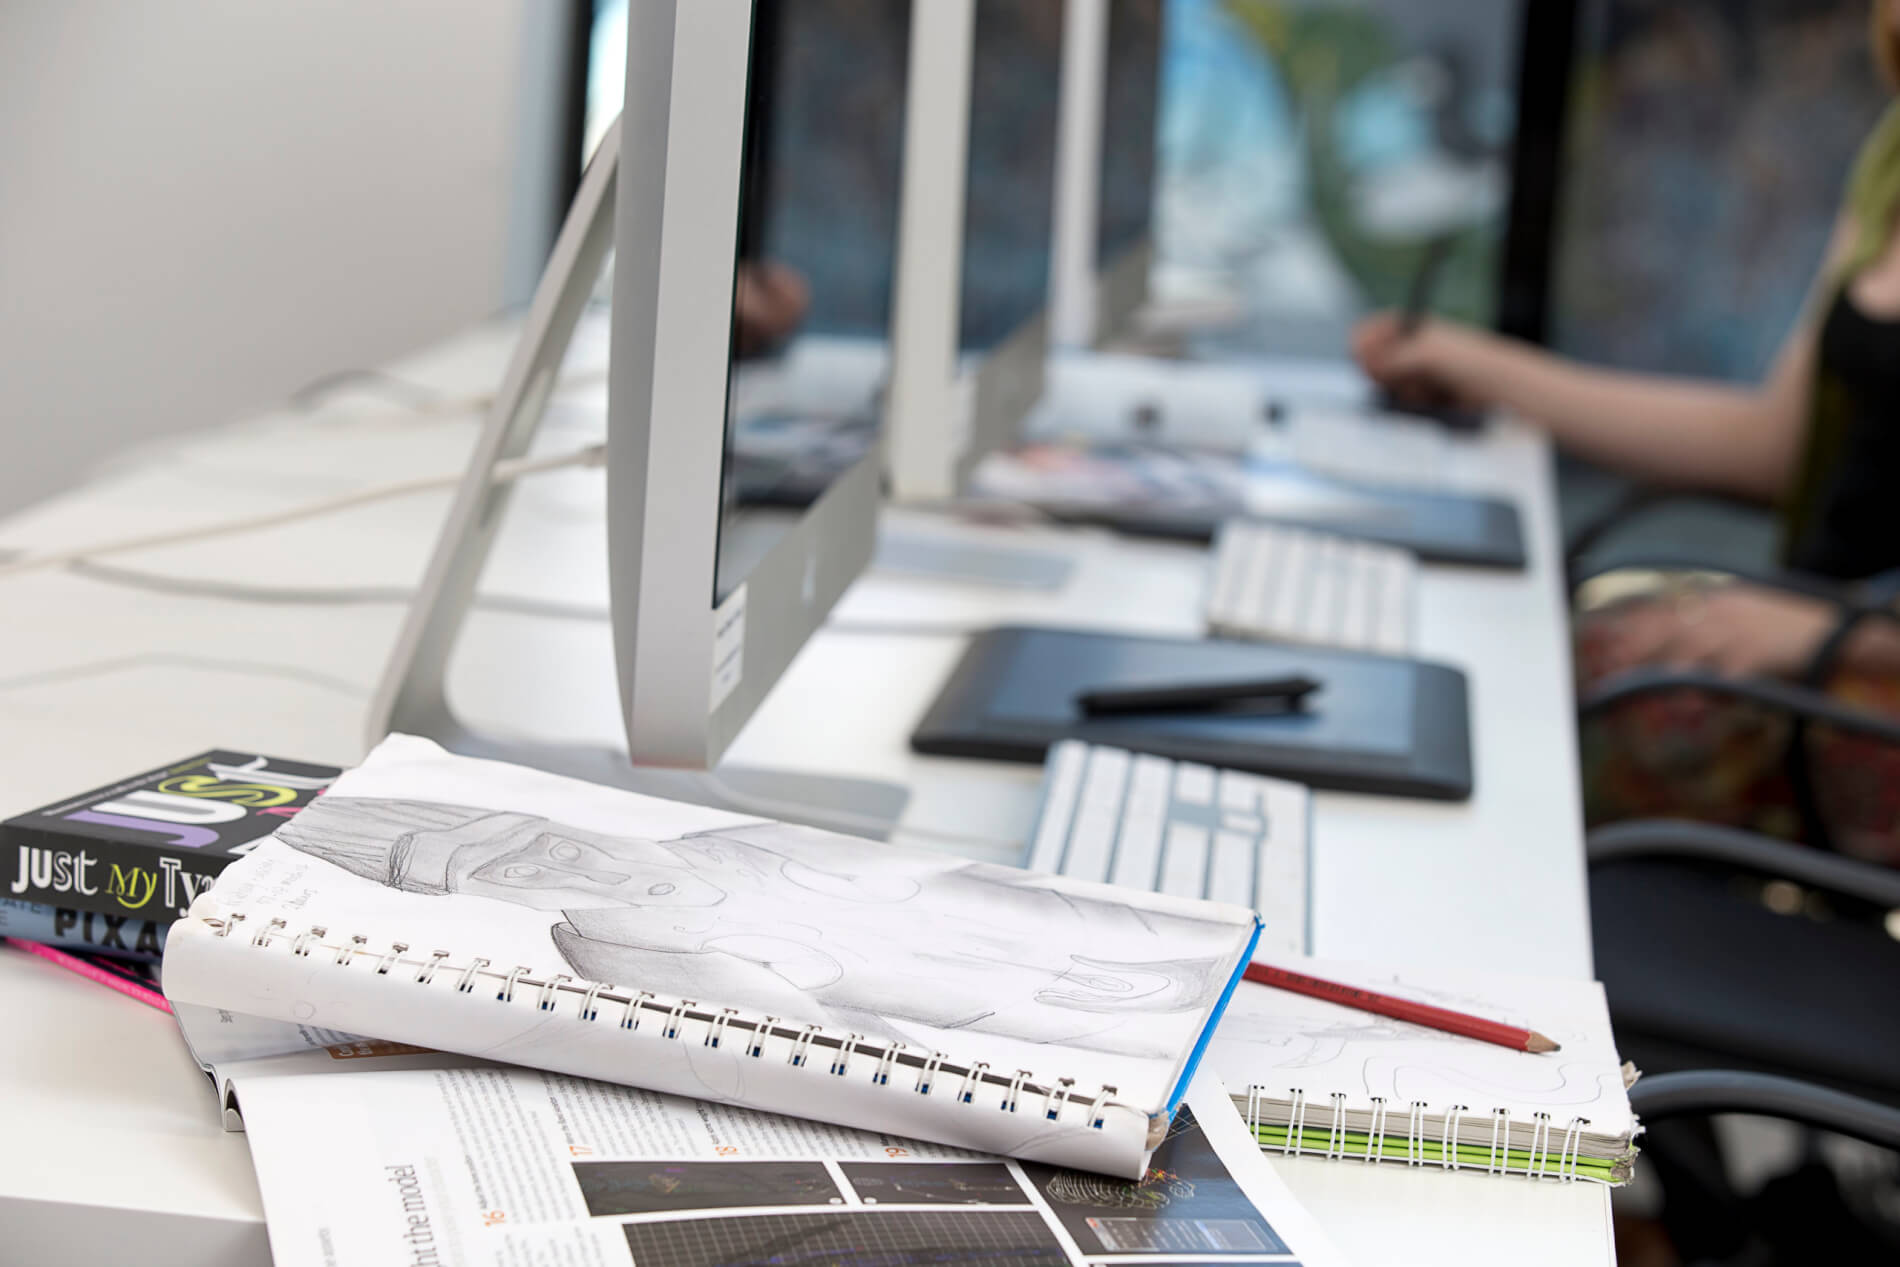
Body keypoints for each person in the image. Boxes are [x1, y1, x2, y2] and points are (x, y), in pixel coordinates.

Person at [1352, 0, 1900, 857]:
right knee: (1496, 655)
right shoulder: (1892, 154)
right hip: (1811, 635)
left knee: (1532, 719)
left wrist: (1830, 638)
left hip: (1855, 673)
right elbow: (1770, 441)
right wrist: (1482, 366)